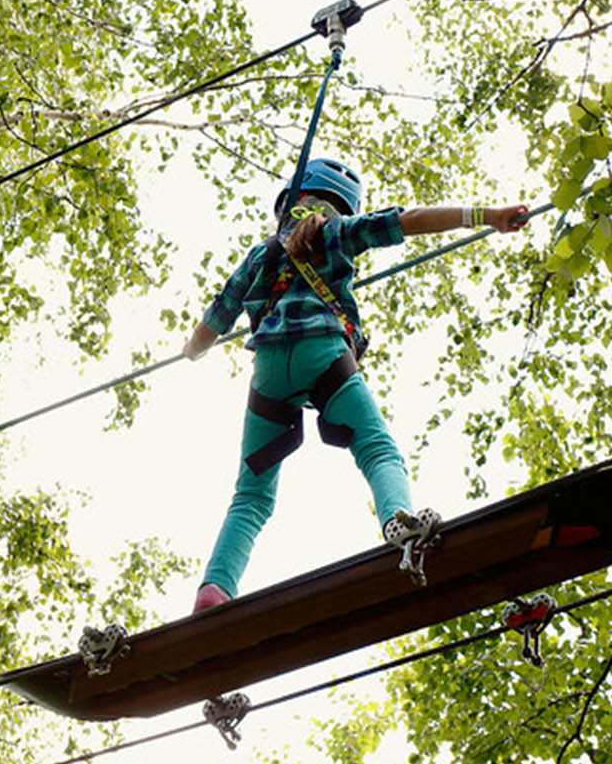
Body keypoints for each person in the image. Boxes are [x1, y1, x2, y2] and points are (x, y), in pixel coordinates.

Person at [182, 157, 530, 611]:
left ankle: (215, 587)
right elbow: (410, 221)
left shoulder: (259, 256)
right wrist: (488, 216)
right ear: (340, 207)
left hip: (268, 370)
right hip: (324, 354)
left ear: (287, 204)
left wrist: (192, 350)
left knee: (251, 494)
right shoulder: (338, 232)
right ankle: (397, 523)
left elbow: (216, 319)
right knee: (377, 447)